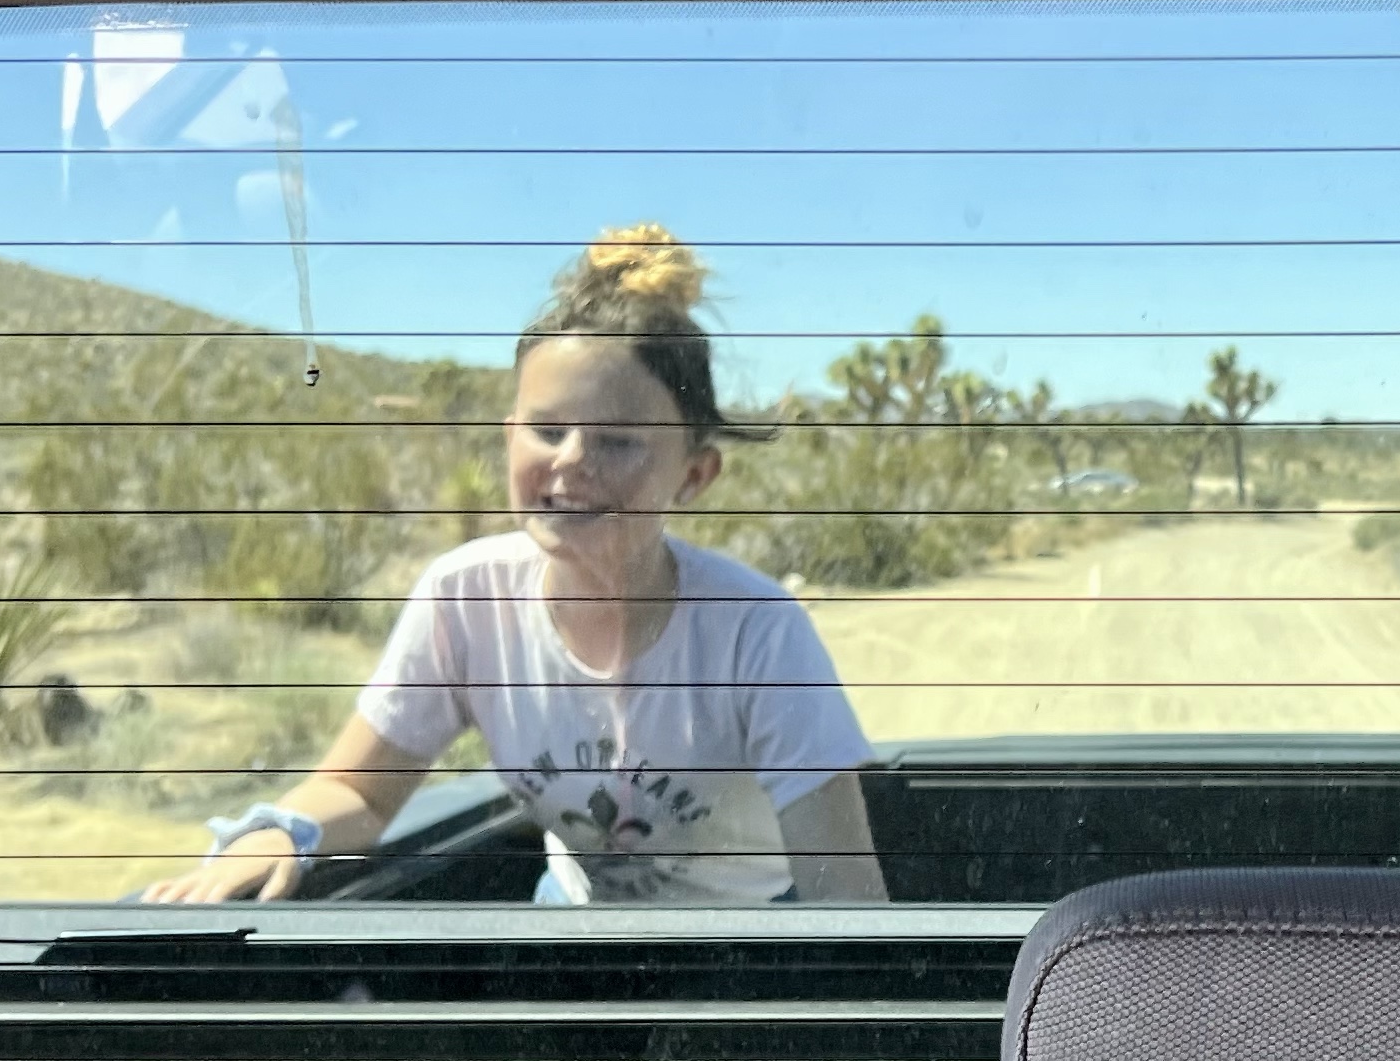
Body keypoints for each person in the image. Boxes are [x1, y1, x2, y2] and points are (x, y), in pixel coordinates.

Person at [149, 227, 886, 905]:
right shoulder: (465, 599)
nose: (571, 460)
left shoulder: (756, 632)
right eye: (547, 430)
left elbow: (845, 898)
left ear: (694, 475)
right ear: (510, 439)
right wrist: (285, 833)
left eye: (618, 440)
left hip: (747, 939)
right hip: (565, 927)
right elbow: (361, 791)